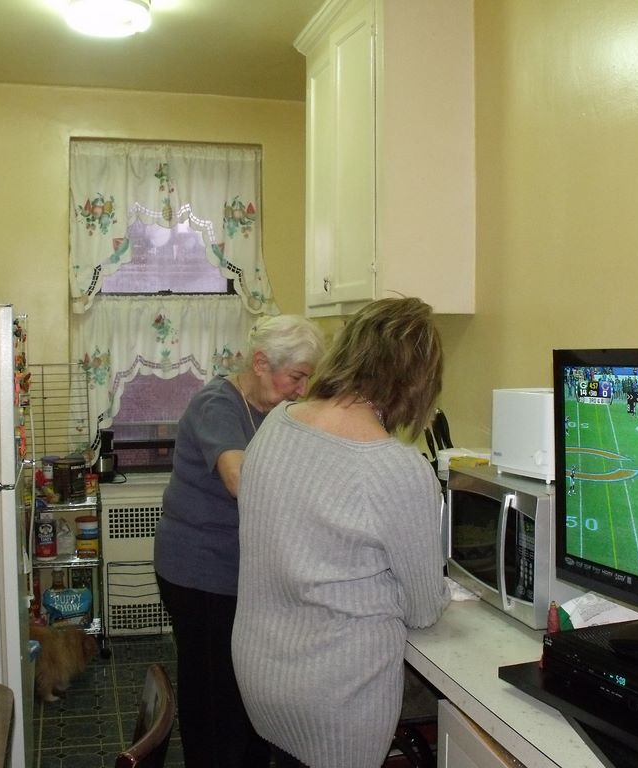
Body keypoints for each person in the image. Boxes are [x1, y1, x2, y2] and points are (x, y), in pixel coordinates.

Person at [232, 297, 451, 768]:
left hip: (263, 673)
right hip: (336, 698)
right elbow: (424, 610)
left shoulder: (276, 422)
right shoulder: (397, 468)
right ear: (416, 382)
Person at [153, 314, 325, 768]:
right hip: (200, 571)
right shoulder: (217, 404)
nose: (302, 389)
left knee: (241, 685)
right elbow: (239, 479)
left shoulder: (273, 411)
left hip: (238, 569)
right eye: (296, 377)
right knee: (213, 692)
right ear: (262, 363)